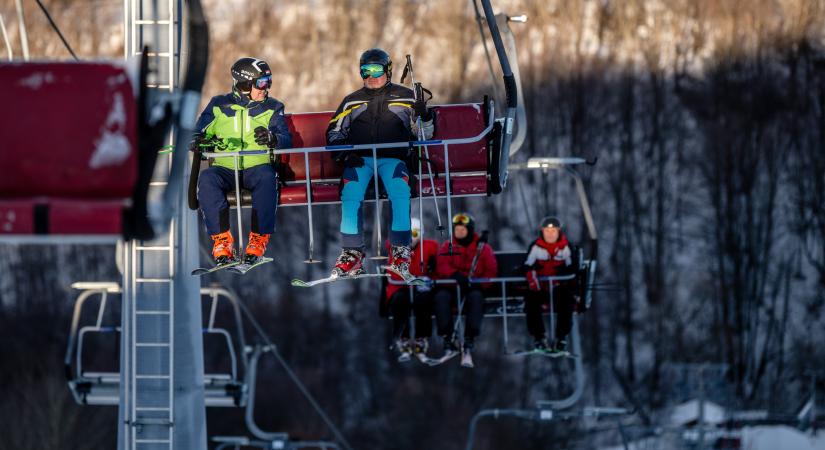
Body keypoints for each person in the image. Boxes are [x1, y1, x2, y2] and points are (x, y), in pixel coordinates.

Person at [325, 48, 434, 279]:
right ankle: (352, 252)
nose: (371, 76)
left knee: (400, 191)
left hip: (393, 159)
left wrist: (425, 116)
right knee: (350, 192)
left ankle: (401, 251)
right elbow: (334, 132)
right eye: (365, 70)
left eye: (376, 70)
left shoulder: (406, 97)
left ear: (388, 70)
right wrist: (344, 155)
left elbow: (425, 135)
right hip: (360, 159)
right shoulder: (351, 101)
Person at [192, 57, 291, 265]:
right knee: (208, 179)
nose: (267, 88)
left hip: (257, 167)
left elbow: (286, 139)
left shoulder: (273, 108)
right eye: (262, 83)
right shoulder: (219, 105)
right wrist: (199, 140)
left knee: (267, 177)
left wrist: (272, 138)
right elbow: (198, 131)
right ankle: (222, 242)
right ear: (245, 85)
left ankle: (258, 240)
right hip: (225, 169)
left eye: (269, 82)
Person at [434, 213, 498, 366]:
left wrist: (478, 284)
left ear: (470, 230)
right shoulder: (448, 246)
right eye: (457, 230)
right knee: (441, 298)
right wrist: (454, 275)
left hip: (472, 287)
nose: (460, 232)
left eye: (463, 230)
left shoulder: (482, 248)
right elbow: (441, 265)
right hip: (452, 287)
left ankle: (469, 338)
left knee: (476, 298)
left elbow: (491, 271)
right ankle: (448, 336)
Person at [382, 217, 439, 361]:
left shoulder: (430, 247)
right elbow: (395, 273)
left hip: (422, 289)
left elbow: (439, 270)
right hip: (400, 287)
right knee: (400, 301)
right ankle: (404, 337)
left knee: (424, 301)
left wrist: (431, 272)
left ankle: (422, 337)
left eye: (414, 235)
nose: (410, 239)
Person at [522, 216, 577, 354]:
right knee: (531, 299)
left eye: (553, 231)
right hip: (541, 288)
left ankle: (561, 338)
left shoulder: (565, 247)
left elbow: (573, 267)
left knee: (566, 299)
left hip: (559, 288)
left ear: (559, 232)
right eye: (547, 231)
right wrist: (532, 276)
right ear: (542, 232)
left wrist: (563, 273)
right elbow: (527, 265)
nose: (550, 234)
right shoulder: (536, 247)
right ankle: (539, 338)